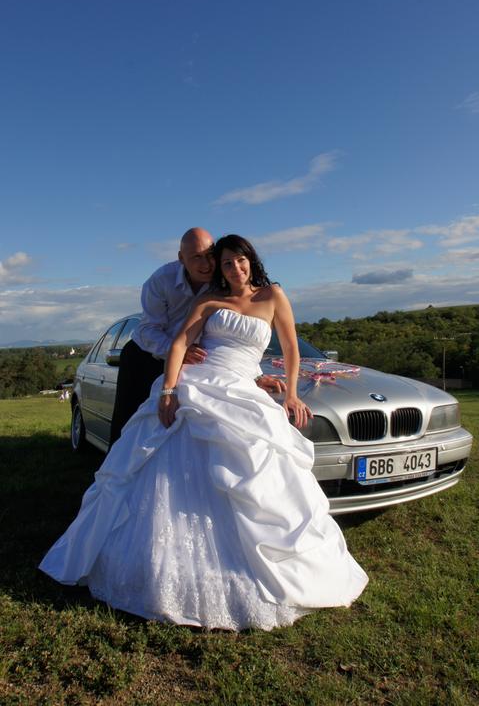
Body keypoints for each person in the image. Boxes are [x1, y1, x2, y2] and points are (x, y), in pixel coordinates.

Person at [39, 235, 368, 631]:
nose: (235, 269)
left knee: (254, 465)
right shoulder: (209, 299)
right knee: (162, 460)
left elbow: (290, 348)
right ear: (217, 268)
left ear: (251, 261)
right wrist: (168, 390)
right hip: (198, 382)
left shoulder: (274, 295)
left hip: (241, 386)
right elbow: (180, 342)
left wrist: (292, 393)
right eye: (226, 263)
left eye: (240, 261)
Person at [109, 228, 284, 447]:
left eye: (210, 255)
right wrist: (178, 352)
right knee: (131, 426)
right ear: (181, 258)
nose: (206, 264)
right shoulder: (161, 281)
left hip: (199, 361)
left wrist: (254, 374)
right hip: (148, 355)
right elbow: (147, 329)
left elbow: (235, 337)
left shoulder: (224, 279)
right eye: (196, 257)